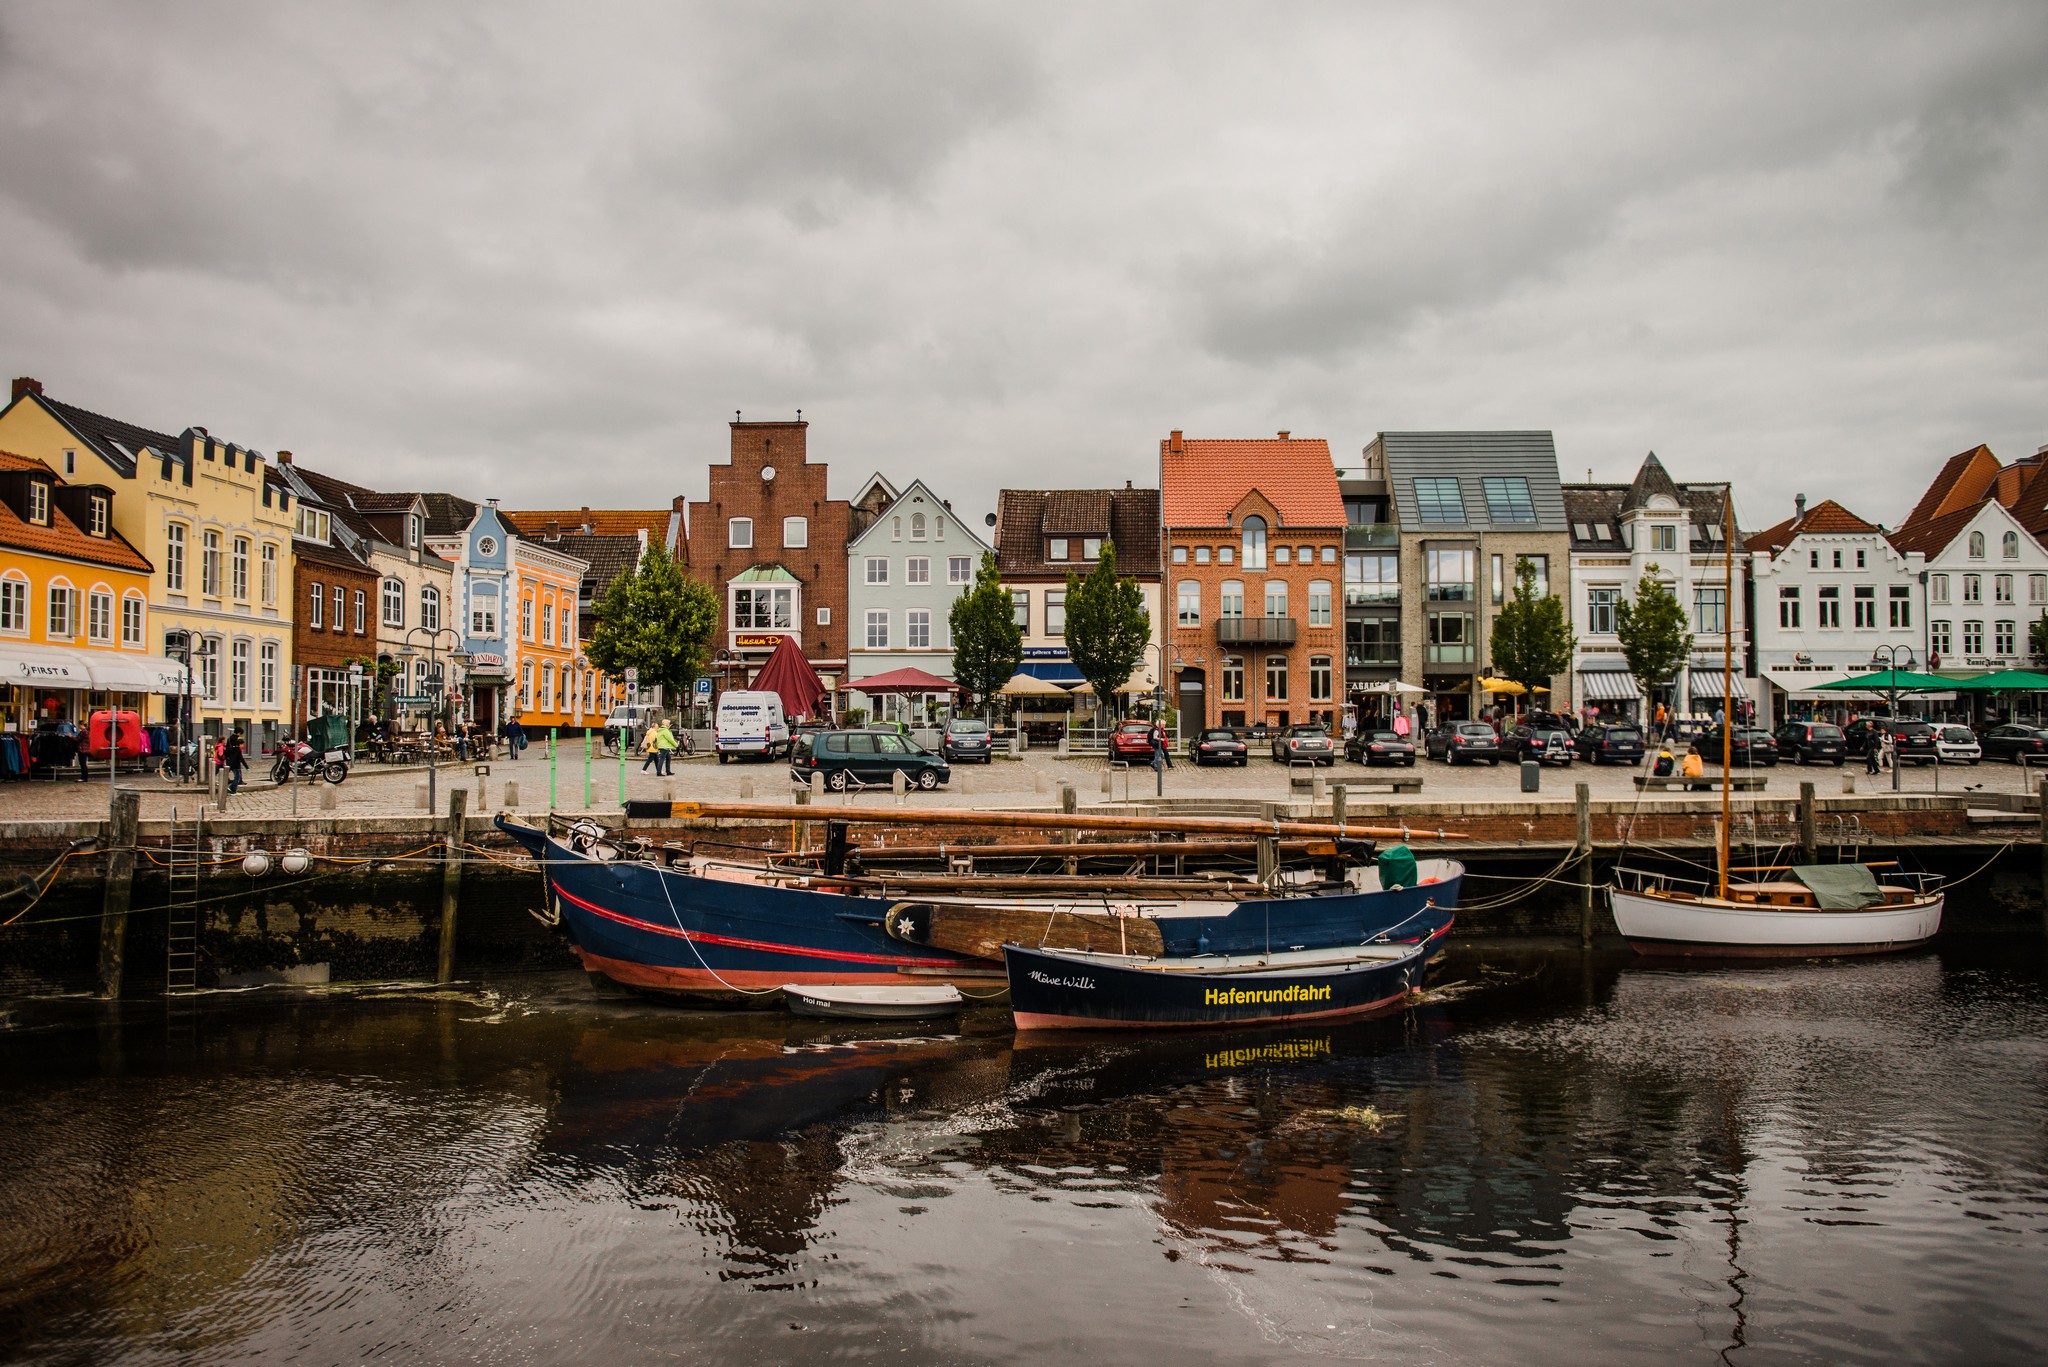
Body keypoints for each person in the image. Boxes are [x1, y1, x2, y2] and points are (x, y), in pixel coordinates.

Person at [223, 729, 247, 794]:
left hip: (231, 760)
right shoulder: (236, 744)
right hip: (235, 763)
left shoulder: (230, 738)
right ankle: (232, 788)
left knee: (234, 773)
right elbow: (240, 758)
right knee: (237, 776)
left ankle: (231, 784)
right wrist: (246, 767)